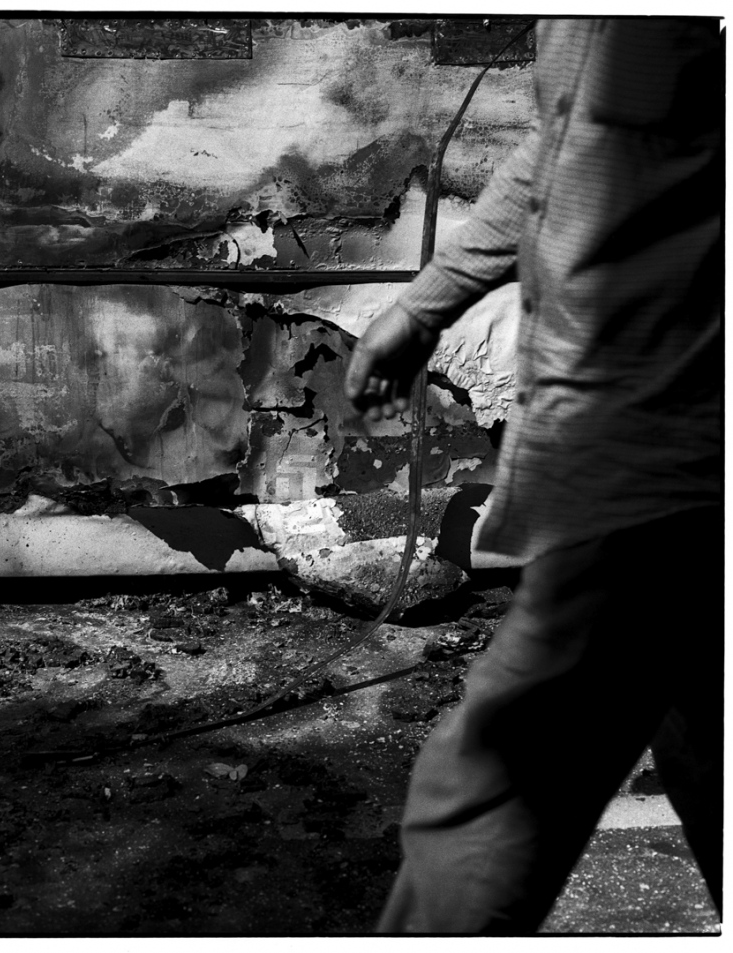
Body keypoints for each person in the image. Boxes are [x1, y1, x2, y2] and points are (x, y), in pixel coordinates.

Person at [344, 17, 722, 933]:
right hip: (639, 438)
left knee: (484, 789)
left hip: (660, 443)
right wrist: (426, 305)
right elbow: (572, 140)